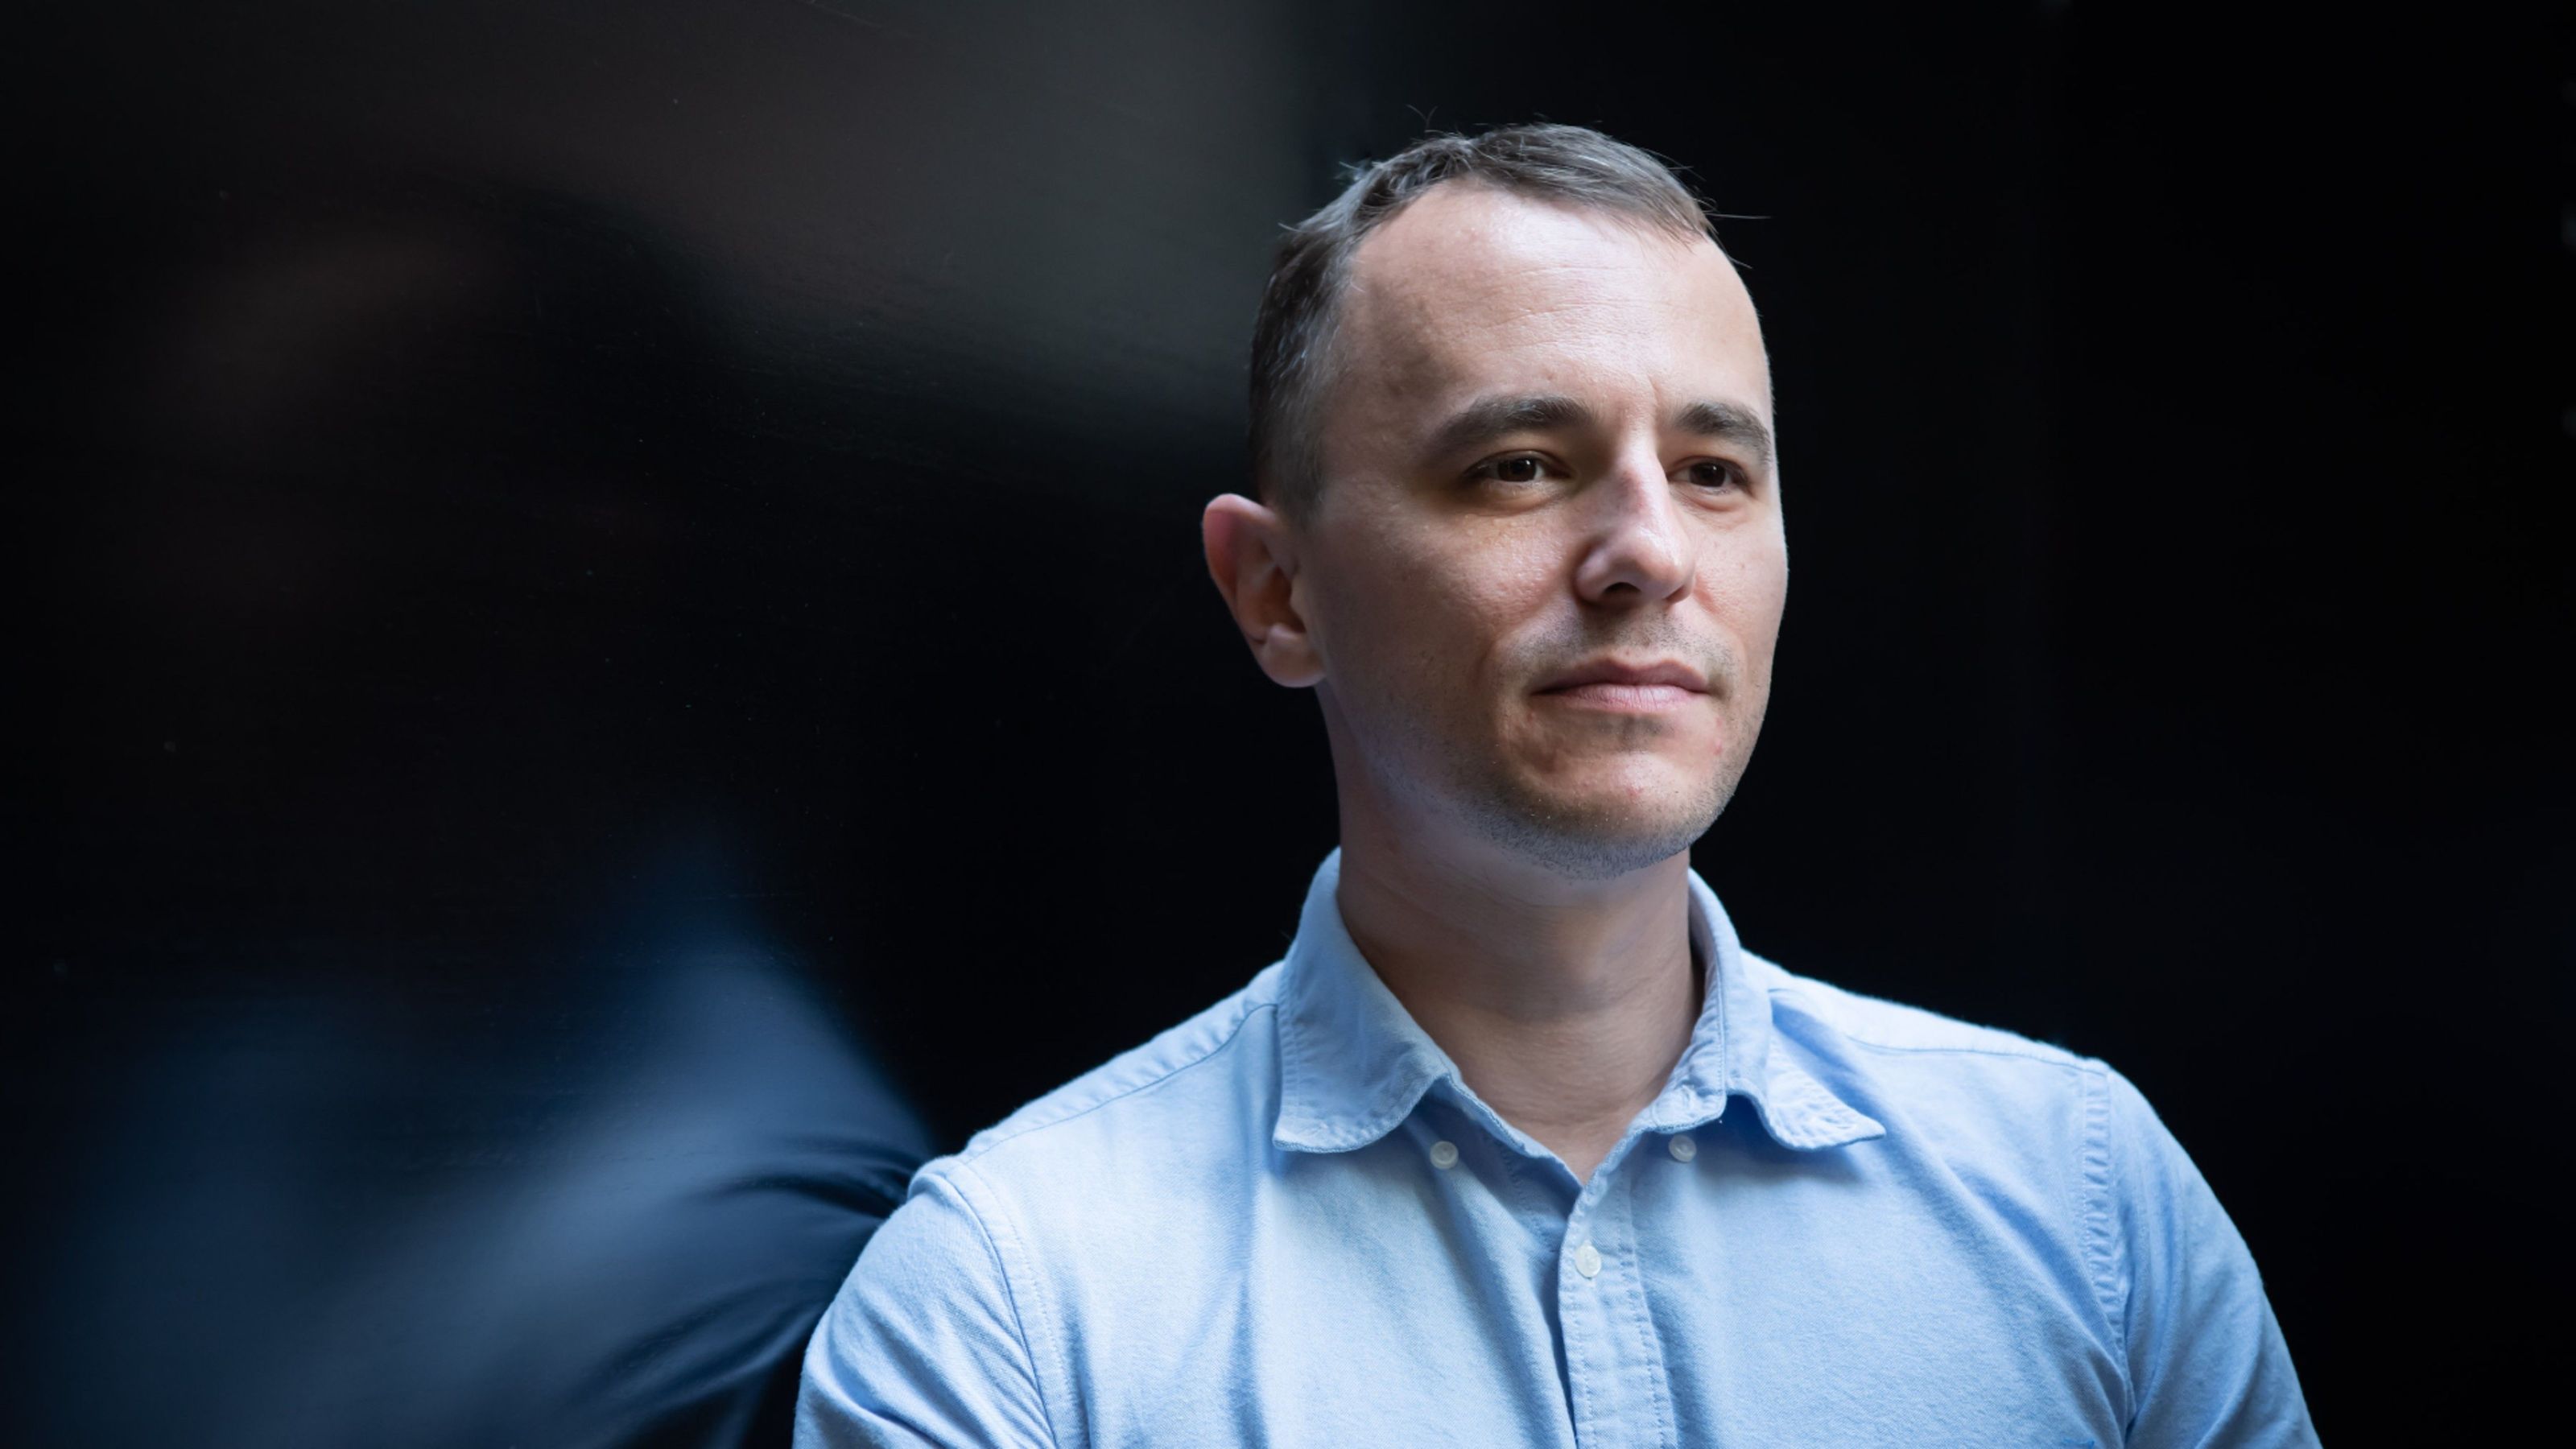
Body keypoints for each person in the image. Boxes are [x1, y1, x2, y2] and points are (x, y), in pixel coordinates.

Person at [795, 123, 2315, 1447]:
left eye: (1716, 471)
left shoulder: (2090, 1203)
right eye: (1522, 464)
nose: (1652, 551)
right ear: (1277, 593)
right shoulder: (1006, 1316)